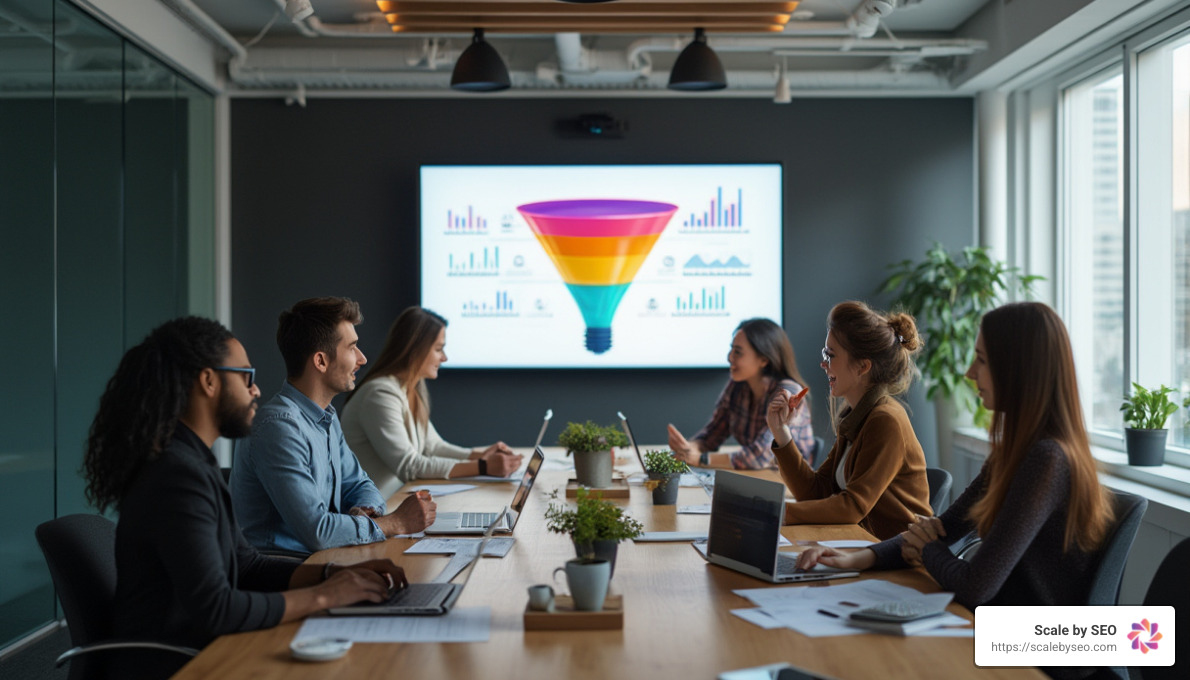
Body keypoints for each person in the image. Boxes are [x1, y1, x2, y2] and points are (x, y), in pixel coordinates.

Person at [796, 303, 1116, 673]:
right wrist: (860, 559)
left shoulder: (1048, 460)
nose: (969, 372)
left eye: (981, 360)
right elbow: (945, 528)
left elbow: (975, 585)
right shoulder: (1014, 453)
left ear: (1018, 369)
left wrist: (928, 547)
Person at [82, 317, 407, 680]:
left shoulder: (193, 461)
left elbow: (247, 566)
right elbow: (217, 608)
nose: (255, 391)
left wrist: (335, 574)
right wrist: (326, 595)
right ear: (208, 381)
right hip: (180, 664)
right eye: (245, 377)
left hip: (203, 646)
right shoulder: (177, 476)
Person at [232, 297, 436, 554]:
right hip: (285, 575)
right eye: (352, 348)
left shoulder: (326, 418)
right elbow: (318, 531)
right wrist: (395, 522)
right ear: (321, 361)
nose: (362, 359)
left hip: (323, 562)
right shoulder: (278, 428)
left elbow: (360, 485)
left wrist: (368, 510)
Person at [767, 301, 931, 540]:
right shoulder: (856, 415)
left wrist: (779, 511)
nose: (823, 364)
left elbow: (853, 507)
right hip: (860, 544)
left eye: (830, 355)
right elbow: (815, 492)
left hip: (897, 556)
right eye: (825, 354)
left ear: (863, 366)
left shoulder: (886, 421)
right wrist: (781, 431)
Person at [341, 306, 523, 497]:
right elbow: (409, 466)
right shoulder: (380, 394)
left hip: (397, 499)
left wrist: (482, 456)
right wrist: (483, 467)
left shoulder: (409, 389)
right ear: (415, 349)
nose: (444, 357)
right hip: (377, 510)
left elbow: (433, 447)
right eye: (438, 349)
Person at [667, 318, 815, 469]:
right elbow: (712, 436)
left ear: (763, 359)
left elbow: (758, 457)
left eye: (738, 352)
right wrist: (688, 448)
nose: (729, 357)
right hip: (758, 478)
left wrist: (701, 459)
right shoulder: (737, 386)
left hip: (791, 484)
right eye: (731, 350)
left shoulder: (788, 393)